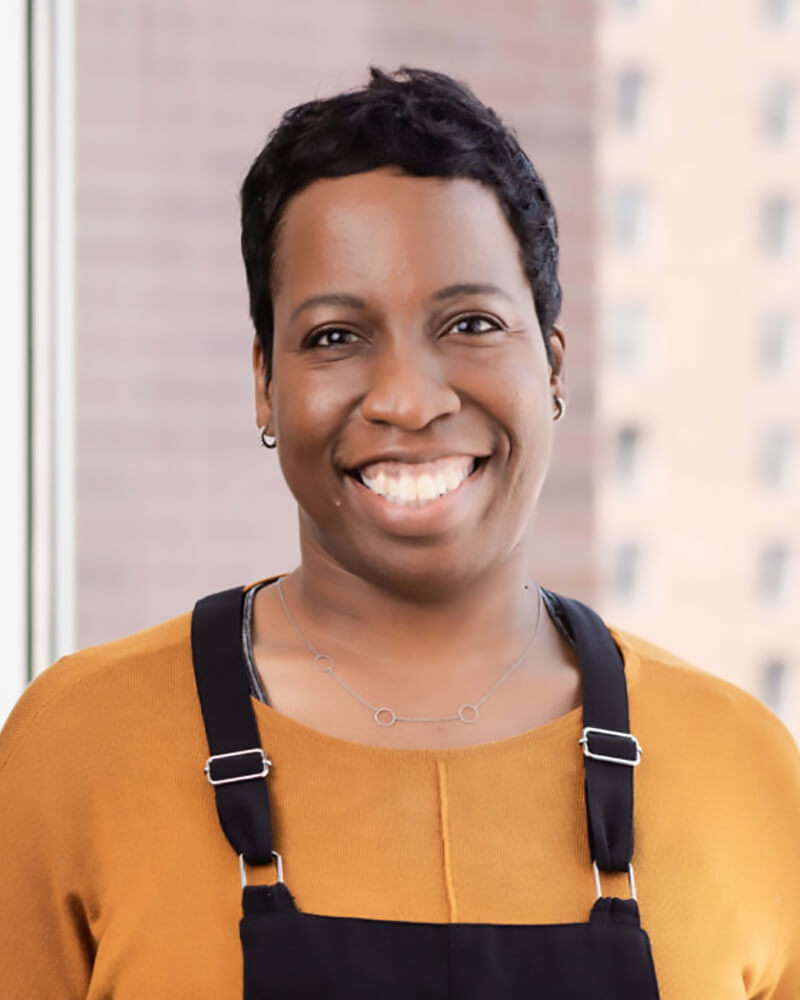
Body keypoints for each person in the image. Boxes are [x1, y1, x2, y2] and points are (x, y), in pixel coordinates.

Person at [1, 66, 799, 1000]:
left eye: (469, 323)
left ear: (551, 364)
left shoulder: (743, 768)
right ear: (265, 382)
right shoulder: (77, 749)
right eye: (336, 336)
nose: (409, 400)